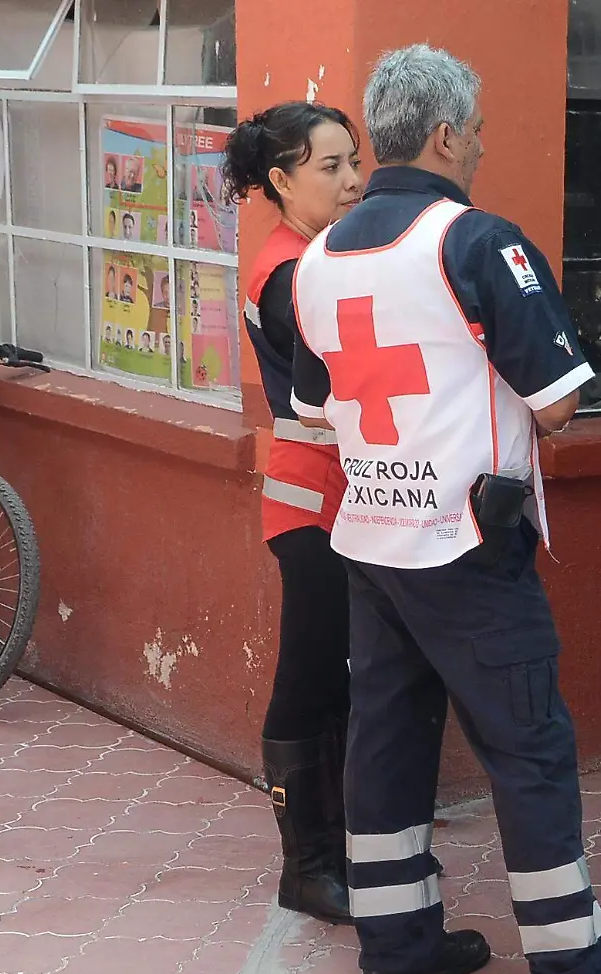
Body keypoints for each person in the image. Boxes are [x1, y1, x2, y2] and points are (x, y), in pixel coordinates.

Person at [291, 44, 601, 974]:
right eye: (474, 131)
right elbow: (561, 404)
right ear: (443, 135)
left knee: (388, 742)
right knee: (530, 753)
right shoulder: (479, 243)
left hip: (372, 537)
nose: (478, 147)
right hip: (468, 542)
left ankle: (394, 945)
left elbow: (312, 409)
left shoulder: (317, 254)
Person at [224, 99, 367, 928]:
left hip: (346, 502)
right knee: (310, 680)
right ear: (281, 181)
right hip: (313, 506)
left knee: (344, 681)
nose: (352, 182)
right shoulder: (287, 273)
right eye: (330, 167)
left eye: (355, 163)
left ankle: (342, 846)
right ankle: (306, 866)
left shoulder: (319, 258)